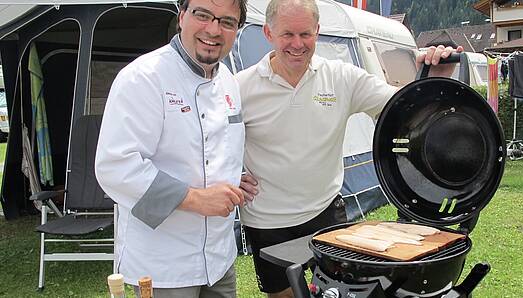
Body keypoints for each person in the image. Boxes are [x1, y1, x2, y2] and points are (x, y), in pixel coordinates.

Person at [235, 0, 462, 297]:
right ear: (268, 33)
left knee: (341, 293)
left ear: (317, 31)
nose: (297, 44)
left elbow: (402, 107)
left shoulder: (341, 77)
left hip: (325, 211)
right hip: (267, 220)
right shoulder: (241, 86)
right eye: (287, 35)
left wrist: (436, 78)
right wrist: (227, 175)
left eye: (305, 34)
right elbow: (210, 142)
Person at [95, 0, 247, 297]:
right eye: (202, 15)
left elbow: (214, 149)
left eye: (227, 22)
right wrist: (196, 199)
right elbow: (115, 167)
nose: (213, 30)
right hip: (163, 264)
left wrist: (237, 176)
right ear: (182, 16)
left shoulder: (229, 81)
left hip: (219, 257)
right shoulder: (144, 77)